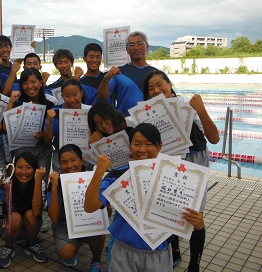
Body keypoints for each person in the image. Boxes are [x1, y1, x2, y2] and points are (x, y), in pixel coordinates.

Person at [84, 123, 205, 272]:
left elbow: (194, 222)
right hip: (124, 251)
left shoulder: (176, 177)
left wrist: (199, 225)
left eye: (148, 144)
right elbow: (90, 207)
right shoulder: (119, 175)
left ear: (159, 146)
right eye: (136, 144)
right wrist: (99, 173)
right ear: (130, 146)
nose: (142, 150)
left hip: (158, 253)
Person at [142, 70, 220, 272]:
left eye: (160, 84)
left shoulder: (187, 105)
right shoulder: (147, 113)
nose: (156, 90)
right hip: (167, 162)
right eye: (150, 88)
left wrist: (201, 110)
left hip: (194, 162)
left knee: (195, 216)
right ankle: (174, 248)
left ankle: (194, 263)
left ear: (170, 84)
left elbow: (214, 139)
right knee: (169, 208)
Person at [47, 144, 105, 272]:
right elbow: (54, 217)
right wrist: (54, 187)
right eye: (64, 162)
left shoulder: (92, 179)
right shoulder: (57, 181)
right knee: (67, 252)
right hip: (64, 224)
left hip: (87, 220)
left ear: (82, 160)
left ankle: (96, 261)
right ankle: (72, 244)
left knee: (98, 227)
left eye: (73, 160)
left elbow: (107, 212)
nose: (69, 166)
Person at [0, 152, 48, 268]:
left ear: (35, 169)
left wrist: (38, 180)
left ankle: (31, 244)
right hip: (7, 225)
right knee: (15, 217)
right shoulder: (5, 182)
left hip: (29, 226)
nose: (24, 172)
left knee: (31, 214)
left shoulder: (39, 182)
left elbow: (37, 212)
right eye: (20, 167)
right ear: (13, 168)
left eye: (29, 168)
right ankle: (8, 247)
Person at [5, 68, 54, 186]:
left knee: (41, 182)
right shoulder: (18, 103)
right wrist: (11, 102)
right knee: (23, 181)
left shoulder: (50, 104)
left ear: (41, 82)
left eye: (33, 82)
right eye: (25, 83)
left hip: (43, 150)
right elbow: (6, 128)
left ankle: (40, 204)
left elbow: (50, 137)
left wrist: (44, 134)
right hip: (23, 148)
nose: (30, 86)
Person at [97, 31, 158, 115]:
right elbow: (102, 97)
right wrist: (106, 78)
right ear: (127, 50)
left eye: (139, 43)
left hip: (151, 121)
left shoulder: (157, 74)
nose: (136, 47)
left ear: (147, 46)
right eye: (131, 45)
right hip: (126, 123)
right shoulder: (118, 72)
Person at [44, 78, 91, 172]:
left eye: (75, 95)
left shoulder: (90, 112)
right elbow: (47, 140)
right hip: (61, 158)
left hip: (85, 156)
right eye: (67, 96)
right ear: (62, 96)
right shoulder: (56, 113)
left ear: (81, 93)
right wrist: (49, 122)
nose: (72, 99)